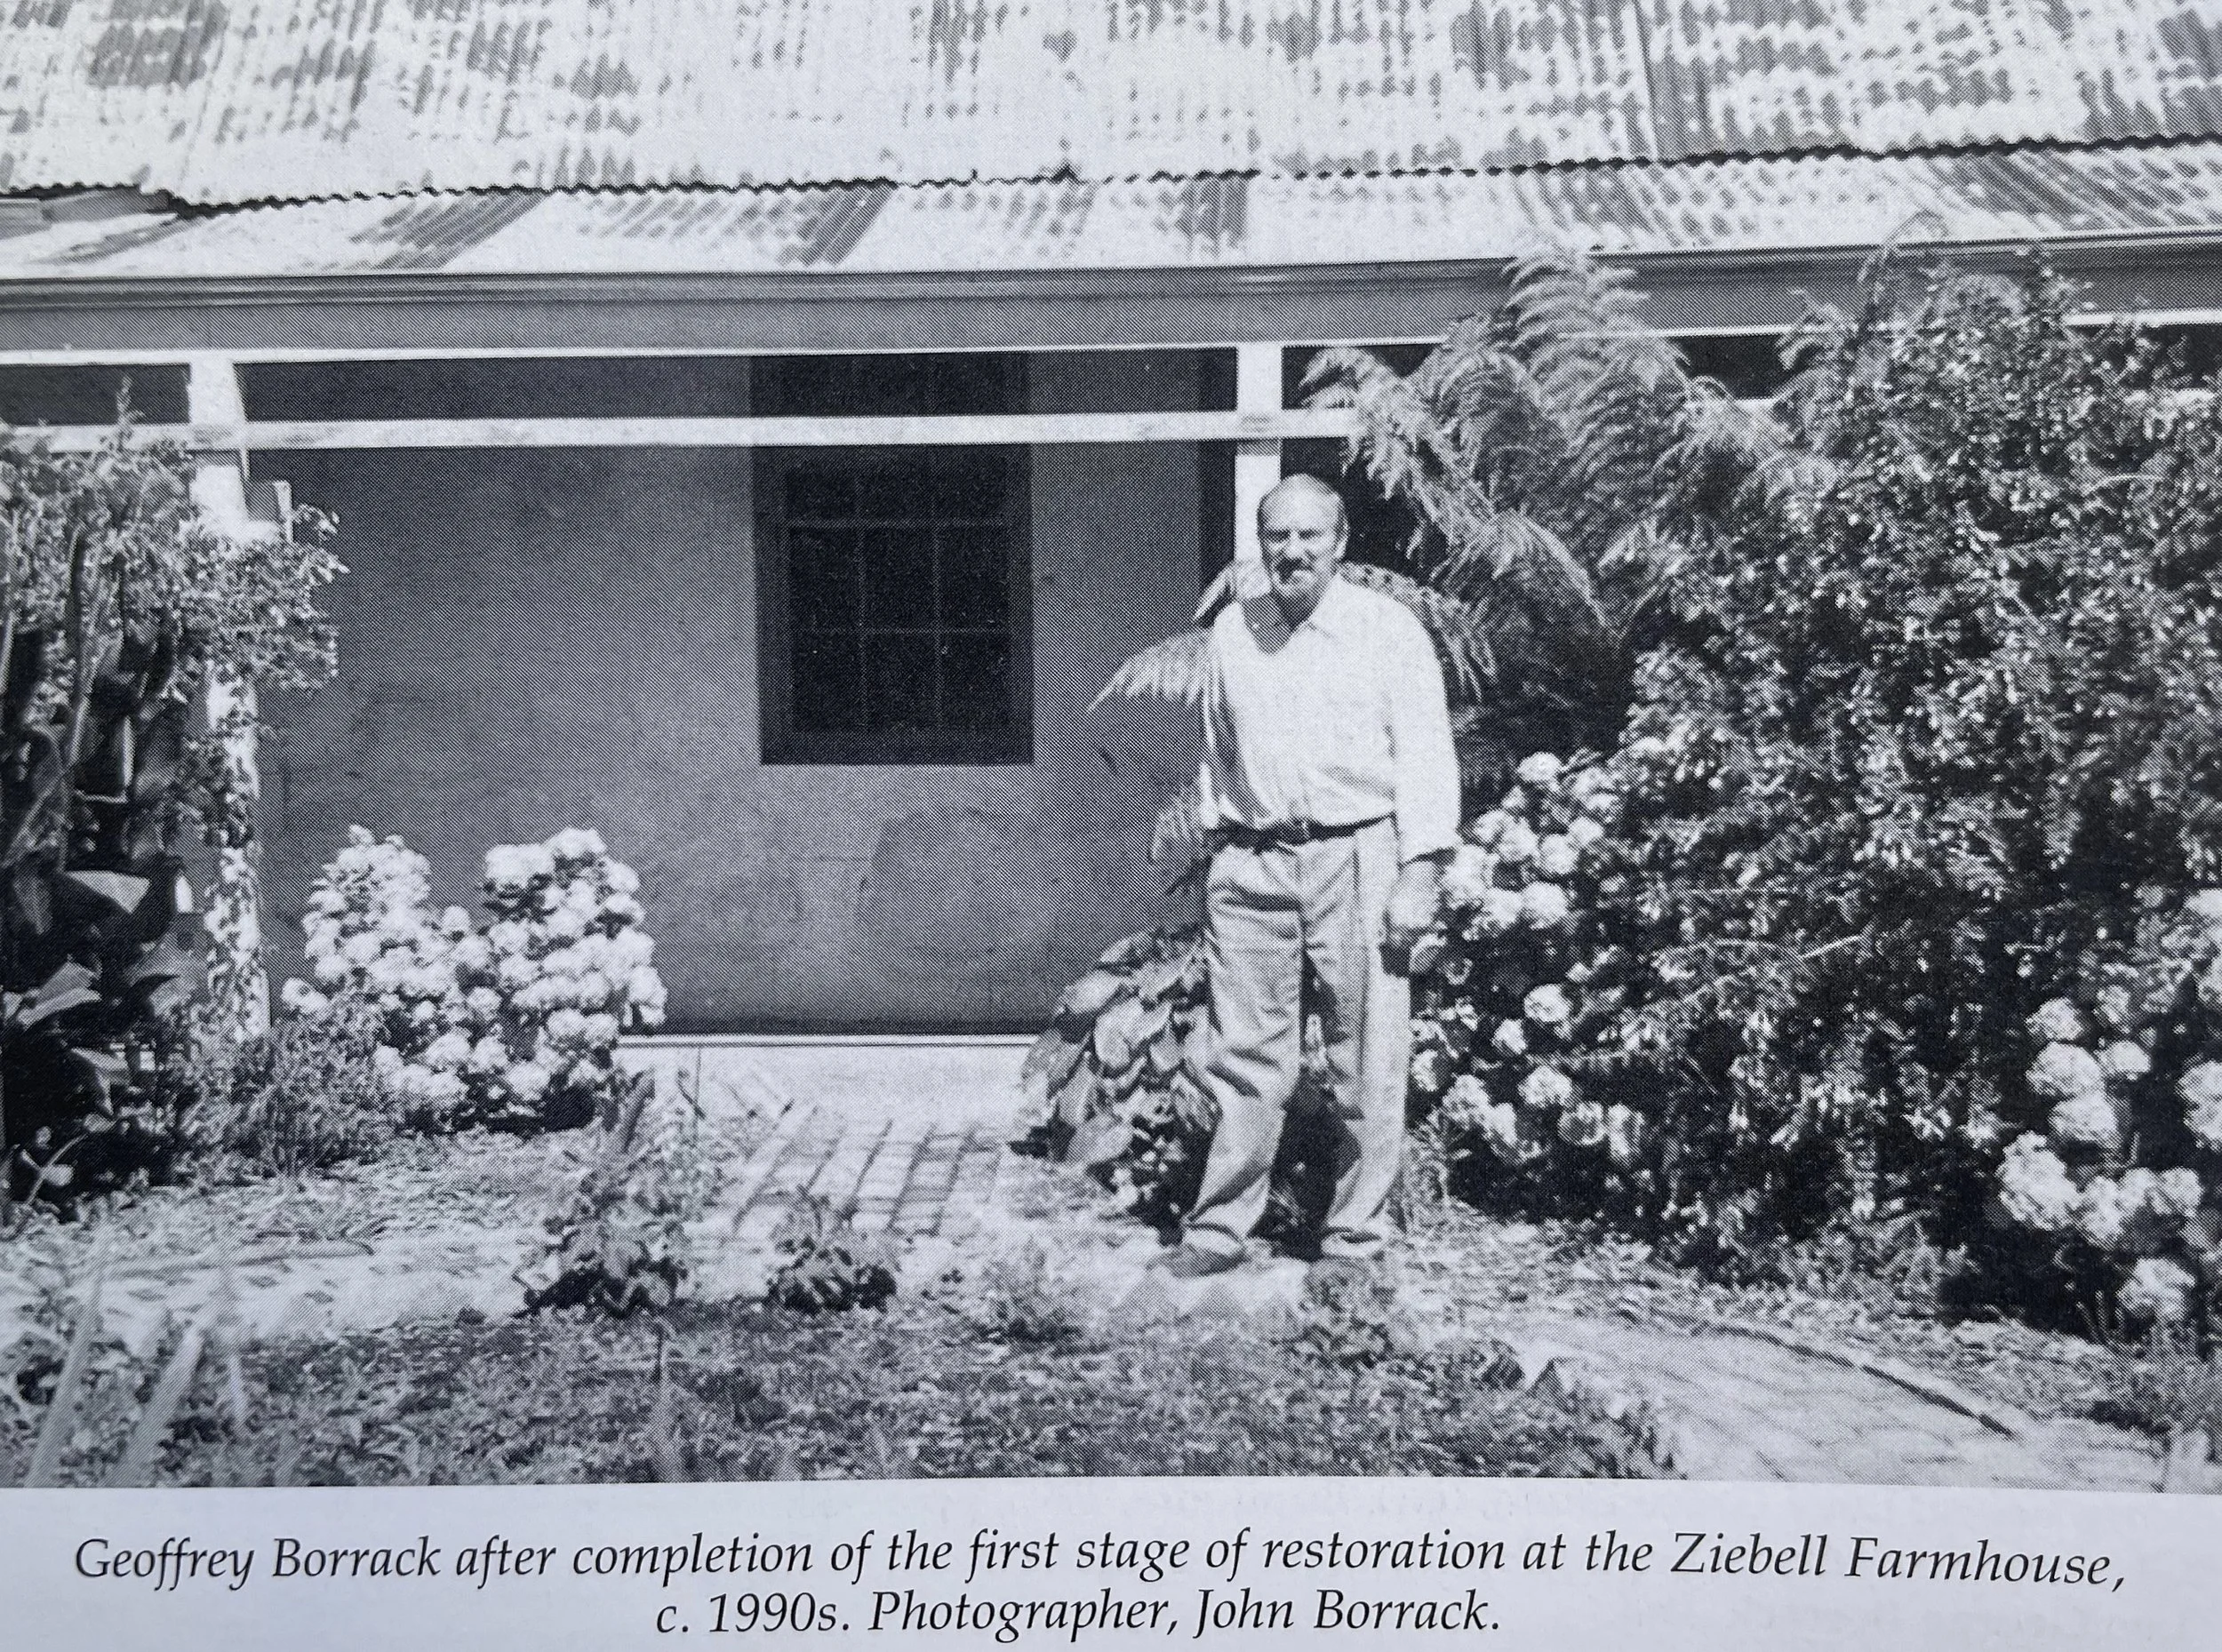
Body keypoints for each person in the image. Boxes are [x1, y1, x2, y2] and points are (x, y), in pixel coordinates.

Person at [1159, 474, 1460, 1280]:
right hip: (1252, 859)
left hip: (1357, 852)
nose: (1291, 551)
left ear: (1341, 543)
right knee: (1245, 1053)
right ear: (1262, 545)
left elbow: (1428, 753)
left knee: (1364, 1053)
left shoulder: (1387, 631)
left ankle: (1354, 1239)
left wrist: (1420, 870)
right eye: (1277, 536)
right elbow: (1219, 745)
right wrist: (1226, 843)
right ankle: (1221, 1228)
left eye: (1308, 536)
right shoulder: (1233, 629)